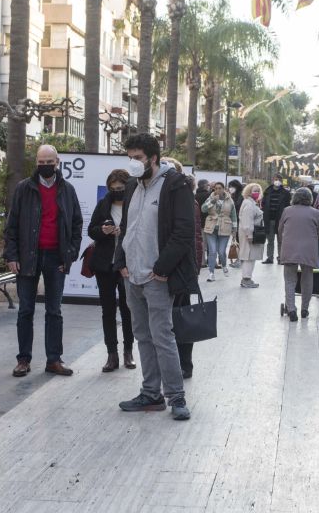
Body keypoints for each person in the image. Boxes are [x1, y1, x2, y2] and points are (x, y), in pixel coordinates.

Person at [114, 133, 196, 421]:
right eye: (130, 158)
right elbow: (126, 227)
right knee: (142, 336)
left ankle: (176, 397)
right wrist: (120, 261)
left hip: (156, 277)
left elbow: (184, 231)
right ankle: (150, 394)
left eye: (137, 158)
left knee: (163, 336)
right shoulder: (132, 188)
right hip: (131, 275)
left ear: (153, 158)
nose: (133, 164)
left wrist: (162, 268)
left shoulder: (175, 185)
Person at [3, 145, 83, 378]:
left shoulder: (67, 190)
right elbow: (11, 226)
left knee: (54, 311)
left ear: (57, 162)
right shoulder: (23, 189)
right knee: (25, 310)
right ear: (36, 163)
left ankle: (54, 360)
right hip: (28, 257)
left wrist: (70, 254)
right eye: (41, 162)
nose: (45, 165)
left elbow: (77, 224)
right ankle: (23, 360)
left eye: (49, 161)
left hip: (56, 258)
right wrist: (12, 256)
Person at [87, 169, 135, 373]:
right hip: (105, 264)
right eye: (113, 189)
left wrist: (123, 231)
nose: (117, 192)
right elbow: (92, 229)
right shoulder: (104, 203)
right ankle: (111, 355)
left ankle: (128, 353)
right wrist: (103, 231)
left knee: (127, 309)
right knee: (107, 310)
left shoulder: (134, 203)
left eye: (121, 188)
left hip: (127, 264)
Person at [162, 157, 202, 379]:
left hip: (181, 270)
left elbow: (193, 237)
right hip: (160, 270)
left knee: (182, 317)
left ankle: (184, 363)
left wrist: (194, 269)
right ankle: (170, 363)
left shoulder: (189, 201)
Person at [277, 187, 319, 320]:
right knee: (307, 278)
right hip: (308, 250)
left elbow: (280, 230)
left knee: (289, 280)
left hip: (289, 248)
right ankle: (304, 309)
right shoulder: (315, 213)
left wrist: (283, 243)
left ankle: (291, 309)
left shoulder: (286, 211)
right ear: (310, 199)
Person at [201, 182, 237, 282]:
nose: (217, 190)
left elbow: (233, 215)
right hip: (211, 228)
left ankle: (224, 265)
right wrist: (212, 201)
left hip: (225, 228)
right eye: (215, 188)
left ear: (224, 189)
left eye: (220, 188)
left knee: (221, 252)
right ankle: (211, 273)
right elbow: (203, 209)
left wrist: (234, 230)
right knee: (212, 251)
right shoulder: (211, 198)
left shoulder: (229, 200)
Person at [236, 183, 265, 289]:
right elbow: (247, 221)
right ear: (248, 191)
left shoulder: (250, 202)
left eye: (258, 190)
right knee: (248, 257)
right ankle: (246, 279)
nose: (256, 193)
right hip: (249, 234)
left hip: (249, 233)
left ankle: (247, 278)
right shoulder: (249, 204)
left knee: (250, 257)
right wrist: (249, 234)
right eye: (254, 190)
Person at [262, 177, 291, 263]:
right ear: (272, 181)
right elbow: (263, 204)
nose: (277, 181)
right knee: (270, 240)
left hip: (281, 220)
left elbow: (288, 206)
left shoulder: (286, 193)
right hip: (269, 219)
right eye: (275, 179)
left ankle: (281, 258)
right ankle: (270, 258)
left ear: (281, 182)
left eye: (278, 180)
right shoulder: (267, 191)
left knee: (281, 240)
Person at [227, 180, 245, 269]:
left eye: (232, 186)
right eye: (229, 186)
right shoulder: (233, 196)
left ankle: (239, 260)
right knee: (236, 240)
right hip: (233, 222)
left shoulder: (240, 197)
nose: (230, 188)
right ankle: (238, 259)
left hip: (238, 222)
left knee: (238, 241)